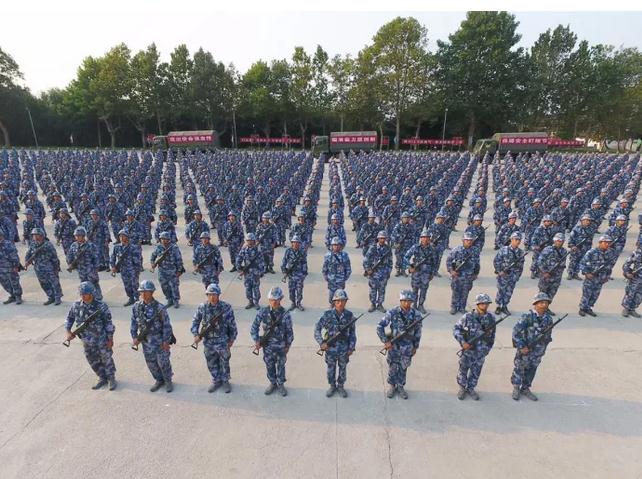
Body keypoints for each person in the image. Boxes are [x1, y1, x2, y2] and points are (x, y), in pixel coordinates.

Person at [64, 282, 116, 390]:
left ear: (91, 294)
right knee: (92, 359)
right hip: (86, 340)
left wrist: (110, 338)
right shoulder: (76, 305)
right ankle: (101, 377)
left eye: (85, 293)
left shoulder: (101, 306)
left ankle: (111, 378)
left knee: (106, 358)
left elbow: (108, 323)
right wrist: (68, 331)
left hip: (101, 339)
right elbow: (69, 318)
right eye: (81, 293)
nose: (83, 295)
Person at [191, 283, 238, 393]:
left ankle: (225, 380)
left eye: (214, 294)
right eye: (210, 294)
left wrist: (232, 339)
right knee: (211, 361)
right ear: (207, 295)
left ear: (218, 295)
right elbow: (195, 322)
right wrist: (195, 334)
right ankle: (216, 380)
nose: (212, 297)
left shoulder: (226, 307)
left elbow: (232, 325)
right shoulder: (202, 307)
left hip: (222, 340)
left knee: (224, 361)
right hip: (208, 341)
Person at [377, 290, 423, 400]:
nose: (406, 303)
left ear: (412, 302)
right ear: (400, 301)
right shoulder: (392, 312)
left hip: (407, 347)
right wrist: (385, 341)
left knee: (403, 367)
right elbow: (380, 326)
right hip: (394, 346)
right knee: (393, 367)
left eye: (409, 301)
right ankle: (392, 386)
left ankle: (401, 386)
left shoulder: (416, 315)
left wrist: (415, 346)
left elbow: (418, 332)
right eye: (404, 301)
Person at [131, 280, 175, 393]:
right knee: (151, 363)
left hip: (159, 340)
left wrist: (166, 341)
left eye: (147, 292)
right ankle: (159, 380)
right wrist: (134, 337)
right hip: (145, 341)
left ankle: (168, 380)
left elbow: (167, 325)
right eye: (142, 292)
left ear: (152, 292)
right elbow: (134, 323)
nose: (144, 294)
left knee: (163, 362)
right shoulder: (136, 307)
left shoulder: (160, 308)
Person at [510, 292, 556, 401]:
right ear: (535, 304)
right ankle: (516, 387)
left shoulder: (548, 319)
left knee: (532, 369)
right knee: (520, 368)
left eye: (546, 303)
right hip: (525, 349)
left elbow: (548, 336)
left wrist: (542, 348)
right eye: (541, 303)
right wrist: (521, 347)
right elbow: (516, 333)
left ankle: (525, 388)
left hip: (538, 351)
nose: (544, 305)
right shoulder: (527, 317)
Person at [250, 287, 294, 397]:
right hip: (267, 346)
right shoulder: (263, 312)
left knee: (281, 366)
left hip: (281, 346)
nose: (274, 302)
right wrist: (256, 340)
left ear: (281, 299)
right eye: (272, 299)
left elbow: (289, 332)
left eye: (276, 299)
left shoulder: (285, 314)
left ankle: (280, 384)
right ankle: (272, 383)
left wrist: (288, 345)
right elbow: (254, 327)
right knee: (269, 365)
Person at [453, 293, 496, 400]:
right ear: (477, 304)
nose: (485, 306)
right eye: (482, 304)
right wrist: (463, 342)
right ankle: (462, 388)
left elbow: (492, 336)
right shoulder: (468, 317)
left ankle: (471, 388)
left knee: (476, 371)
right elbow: (456, 329)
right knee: (463, 369)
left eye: (486, 304)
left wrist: (488, 349)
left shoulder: (491, 318)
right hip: (468, 350)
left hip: (481, 352)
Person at [314, 289, 357, 398]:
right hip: (330, 349)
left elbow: (352, 333)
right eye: (338, 301)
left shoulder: (349, 315)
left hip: (344, 349)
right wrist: (321, 343)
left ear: (346, 302)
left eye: (343, 301)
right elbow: (317, 329)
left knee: (343, 369)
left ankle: (341, 386)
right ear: (334, 302)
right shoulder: (327, 314)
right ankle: (332, 386)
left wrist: (351, 347)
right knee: (330, 369)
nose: (340, 303)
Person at [579, 235, 617, 317]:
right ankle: (582, 308)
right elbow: (582, 264)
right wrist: (586, 273)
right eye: (605, 242)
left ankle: (589, 308)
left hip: (601, 279)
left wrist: (607, 276)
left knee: (595, 295)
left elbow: (610, 266)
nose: (607, 244)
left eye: (609, 243)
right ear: (600, 243)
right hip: (591, 277)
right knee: (587, 294)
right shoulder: (592, 252)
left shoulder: (610, 252)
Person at [403, 228, 437, 314]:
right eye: (424, 237)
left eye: (427, 237)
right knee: (414, 290)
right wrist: (410, 267)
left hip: (426, 274)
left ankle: (421, 305)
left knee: (424, 290)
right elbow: (406, 257)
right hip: (416, 273)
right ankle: (413, 306)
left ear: (429, 239)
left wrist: (432, 273)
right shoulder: (415, 247)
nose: (425, 239)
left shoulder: (432, 249)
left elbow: (435, 262)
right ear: (421, 238)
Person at [25, 227, 62, 305]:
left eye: (36, 235)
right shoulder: (33, 244)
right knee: (43, 283)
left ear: (41, 235)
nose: (34, 237)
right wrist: (27, 261)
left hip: (49, 267)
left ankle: (57, 297)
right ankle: (50, 297)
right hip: (38, 268)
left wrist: (56, 267)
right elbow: (28, 253)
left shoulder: (48, 245)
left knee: (54, 282)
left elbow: (54, 256)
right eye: (33, 235)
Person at [446, 232, 480, 315]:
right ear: (463, 240)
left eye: (470, 240)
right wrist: (451, 270)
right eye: (467, 240)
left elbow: (477, 263)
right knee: (455, 291)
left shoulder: (475, 251)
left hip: (468, 276)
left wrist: (476, 273)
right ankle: (454, 307)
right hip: (457, 275)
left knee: (465, 292)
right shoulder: (457, 250)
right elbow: (449, 260)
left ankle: (462, 307)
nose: (469, 242)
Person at [493, 232, 526, 315]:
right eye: (516, 239)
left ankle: (504, 306)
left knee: (509, 292)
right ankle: (498, 306)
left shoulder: (521, 253)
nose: (518, 241)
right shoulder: (504, 249)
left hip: (513, 276)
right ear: (511, 239)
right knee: (501, 291)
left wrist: (517, 276)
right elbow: (496, 261)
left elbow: (521, 266)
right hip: (503, 275)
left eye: (519, 240)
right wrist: (499, 271)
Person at [66, 226, 102, 301]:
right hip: (80, 269)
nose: (78, 237)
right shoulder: (74, 245)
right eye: (76, 236)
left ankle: (98, 297)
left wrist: (95, 268)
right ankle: (86, 297)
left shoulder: (90, 245)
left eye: (79, 236)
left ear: (83, 236)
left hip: (90, 268)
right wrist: (70, 264)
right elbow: (70, 255)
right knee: (84, 284)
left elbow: (96, 257)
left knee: (94, 283)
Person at [150, 231, 184, 308]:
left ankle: (176, 300)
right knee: (164, 286)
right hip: (162, 271)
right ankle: (169, 299)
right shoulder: (158, 248)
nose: (164, 240)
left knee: (174, 286)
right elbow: (153, 256)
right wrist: (152, 263)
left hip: (172, 271)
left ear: (168, 239)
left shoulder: (174, 248)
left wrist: (179, 270)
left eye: (165, 239)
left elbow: (179, 260)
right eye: (162, 239)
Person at [363, 230, 393, 312]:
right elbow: (366, 260)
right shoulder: (373, 248)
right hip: (373, 273)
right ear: (378, 239)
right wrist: (368, 269)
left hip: (383, 274)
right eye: (380, 238)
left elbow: (390, 262)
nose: (382, 240)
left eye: (384, 238)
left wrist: (388, 273)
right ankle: (373, 304)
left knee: (382, 290)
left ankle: (380, 305)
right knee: (373, 290)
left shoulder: (388, 249)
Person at [110, 229, 141, 306]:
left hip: (132, 269)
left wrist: (137, 270)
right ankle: (131, 298)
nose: (121, 237)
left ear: (127, 237)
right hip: (123, 270)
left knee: (135, 285)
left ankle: (137, 299)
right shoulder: (116, 247)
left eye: (123, 236)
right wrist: (113, 266)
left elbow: (138, 260)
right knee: (126, 285)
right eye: (120, 236)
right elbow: (112, 257)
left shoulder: (133, 247)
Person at [235, 233, 266, 310]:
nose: (250, 242)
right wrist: (240, 269)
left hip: (256, 273)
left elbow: (262, 263)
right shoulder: (244, 250)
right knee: (248, 288)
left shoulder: (258, 251)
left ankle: (256, 303)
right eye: (248, 240)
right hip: (247, 273)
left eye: (251, 240)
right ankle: (250, 301)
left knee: (256, 289)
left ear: (254, 241)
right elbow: (238, 259)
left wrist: (261, 272)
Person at [280, 235, 308, 311]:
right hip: (291, 274)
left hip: (299, 274)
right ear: (292, 243)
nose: (296, 244)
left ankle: (298, 303)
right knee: (291, 290)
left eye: (297, 243)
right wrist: (284, 271)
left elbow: (304, 263)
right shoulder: (288, 251)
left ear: (299, 243)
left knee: (299, 290)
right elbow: (284, 261)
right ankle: (293, 303)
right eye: (294, 242)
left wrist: (304, 274)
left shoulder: (302, 252)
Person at [322, 237, 352, 306]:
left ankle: (339, 308)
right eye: (334, 245)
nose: (336, 246)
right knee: (331, 295)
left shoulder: (344, 255)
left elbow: (348, 268)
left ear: (341, 246)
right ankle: (332, 305)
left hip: (340, 280)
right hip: (331, 279)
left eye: (338, 245)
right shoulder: (328, 256)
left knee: (340, 296)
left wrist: (344, 278)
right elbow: (325, 267)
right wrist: (326, 276)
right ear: (332, 246)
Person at [622, 247, 642, 318]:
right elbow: (627, 264)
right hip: (636, 278)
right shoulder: (637, 253)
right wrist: (627, 273)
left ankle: (632, 309)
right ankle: (626, 309)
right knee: (630, 293)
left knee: (639, 296)